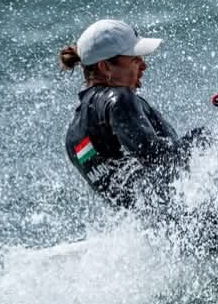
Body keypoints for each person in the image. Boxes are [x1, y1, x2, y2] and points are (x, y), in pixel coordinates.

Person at [60, 19, 207, 211]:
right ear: (105, 67)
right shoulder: (118, 100)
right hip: (188, 217)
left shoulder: (73, 136)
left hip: (147, 225)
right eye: (135, 59)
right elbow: (159, 159)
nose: (144, 66)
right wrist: (208, 144)